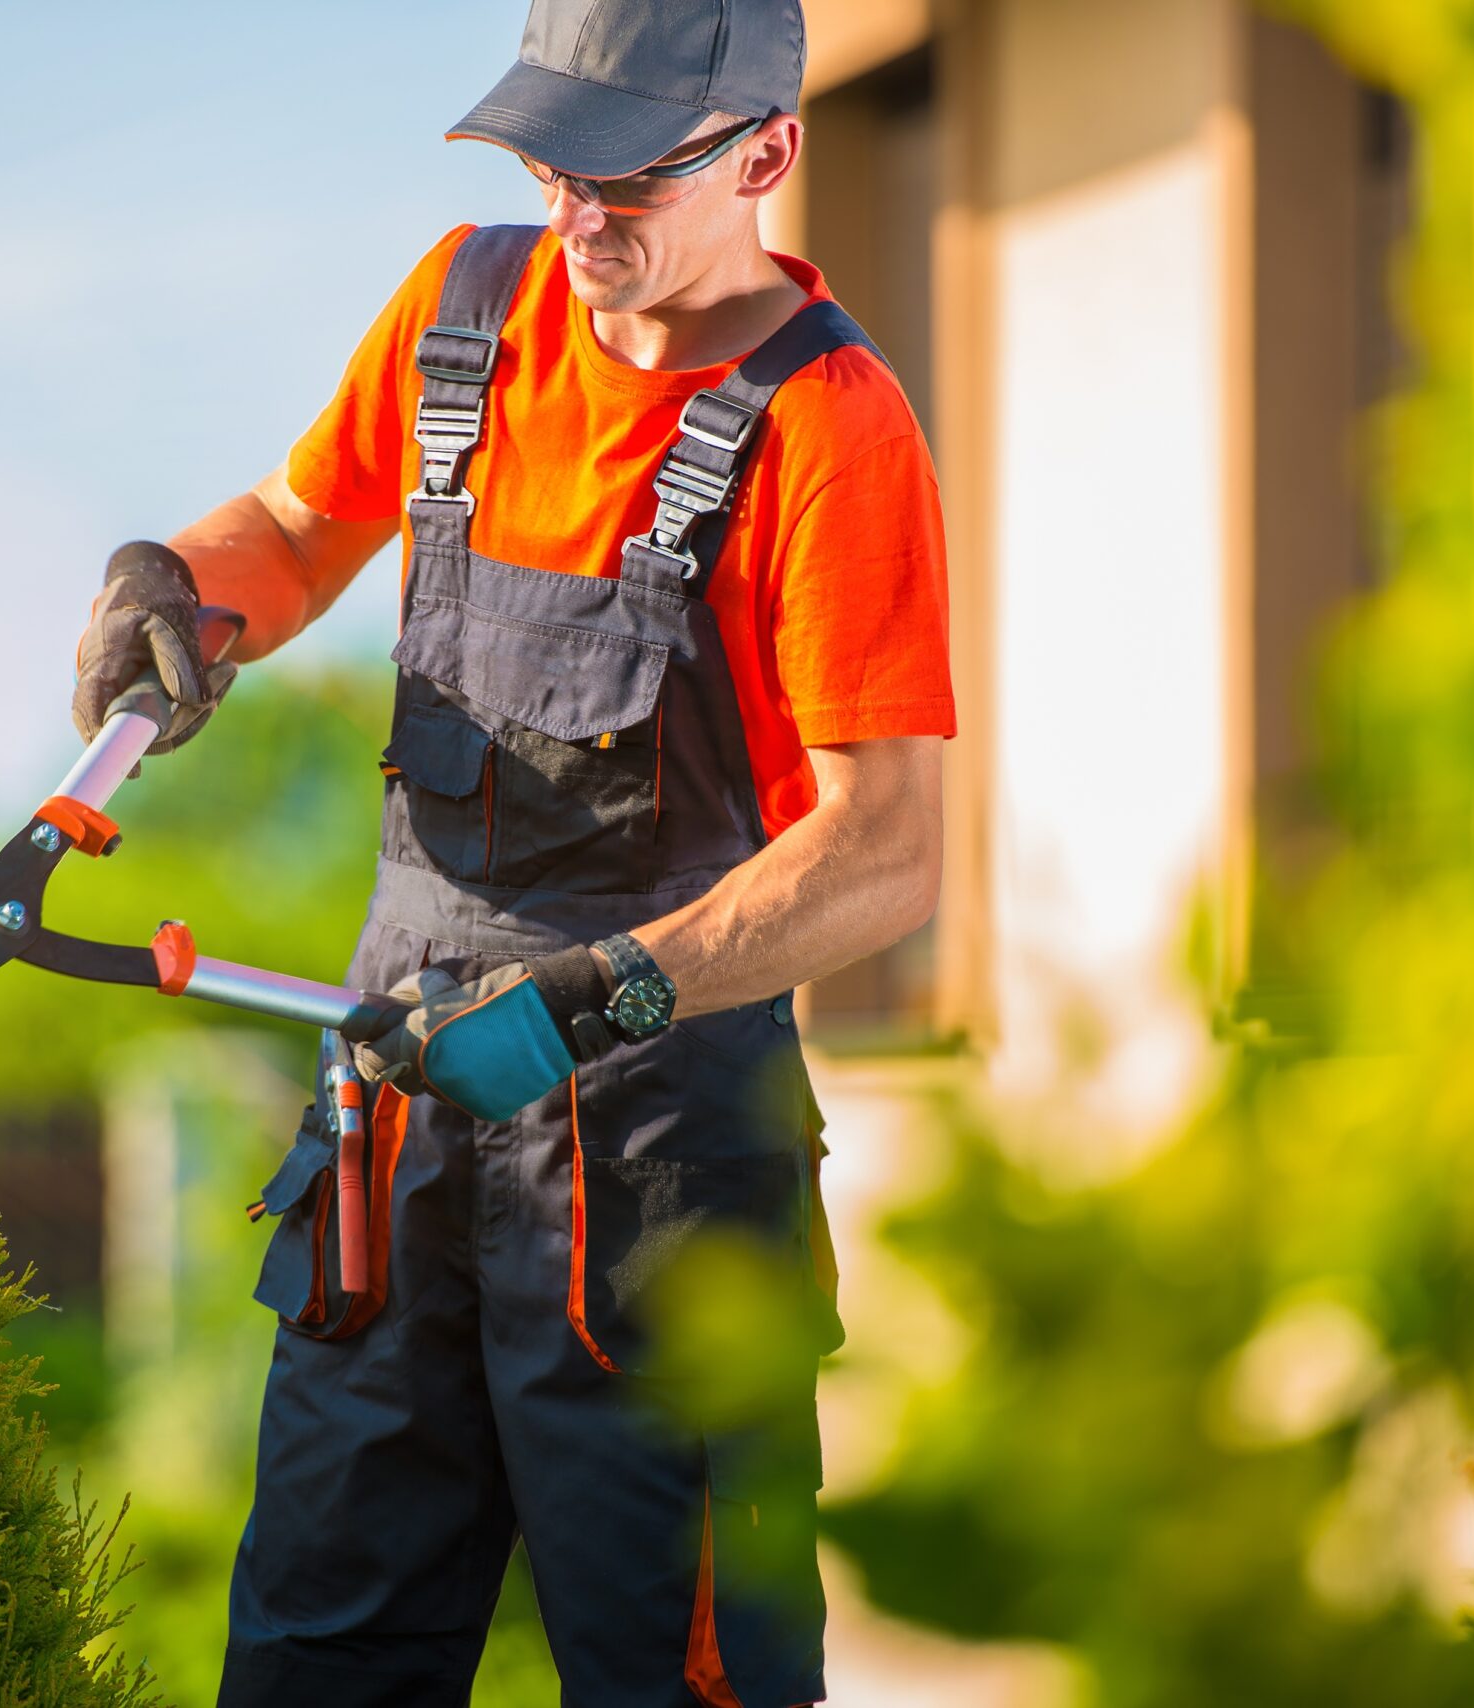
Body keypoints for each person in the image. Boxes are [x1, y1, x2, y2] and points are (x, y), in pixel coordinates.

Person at [71, 2, 955, 1700]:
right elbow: (292, 528)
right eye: (552, 162)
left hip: (661, 1183)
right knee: (316, 1662)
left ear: (766, 154)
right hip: (392, 1139)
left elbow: (888, 851)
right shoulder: (463, 310)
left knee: (682, 1679)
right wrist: (179, 589)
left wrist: (601, 999)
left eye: (624, 175)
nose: (576, 216)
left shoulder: (832, 431)